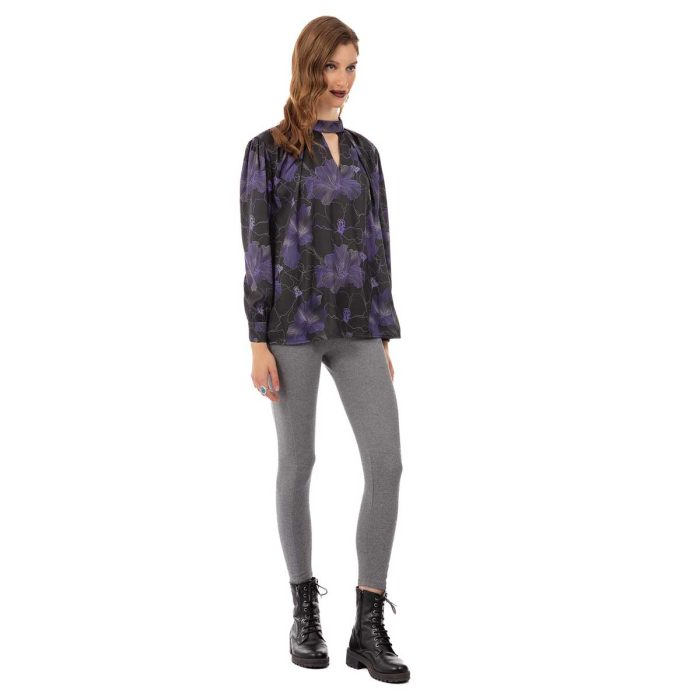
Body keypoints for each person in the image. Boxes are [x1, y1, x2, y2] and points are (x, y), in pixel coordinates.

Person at [239, 16, 410, 684]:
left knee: (387, 464)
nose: (342, 81)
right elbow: (257, 248)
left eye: (351, 66)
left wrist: (383, 331)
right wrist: (257, 339)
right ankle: (303, 609)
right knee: (299, 461)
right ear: (307, 67)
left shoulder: (366, 153)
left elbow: (379, 243)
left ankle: (368, 624)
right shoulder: (267, 152)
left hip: (357, 324)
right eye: (331, 67)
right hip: (291, 326)